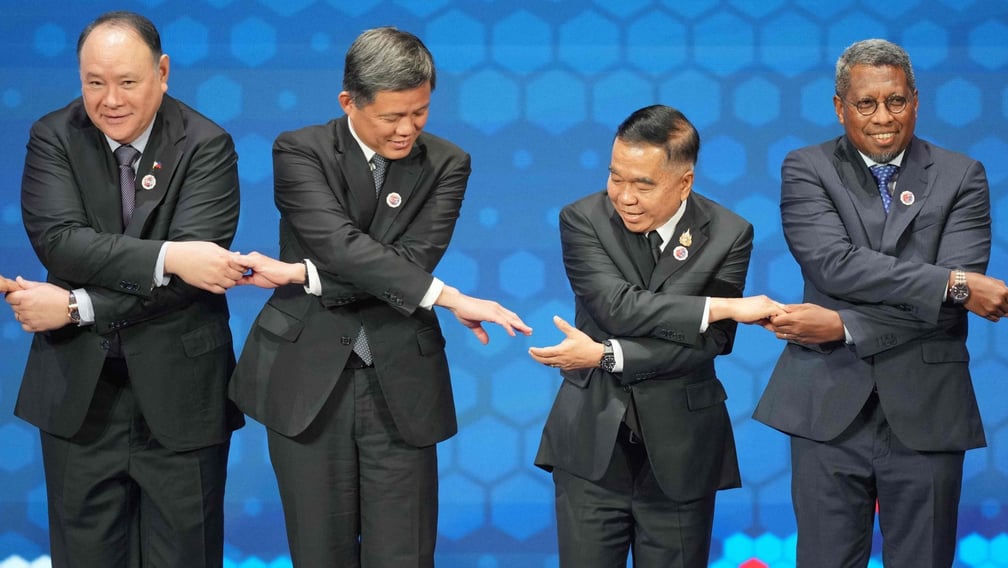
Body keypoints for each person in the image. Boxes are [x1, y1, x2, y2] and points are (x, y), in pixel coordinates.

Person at [228, 27, 532, 568]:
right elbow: (341, 247)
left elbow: (412, 261)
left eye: (419, 112)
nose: (407, 129)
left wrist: (300, 273)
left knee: (405, 556)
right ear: (349, 102)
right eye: (392, 116)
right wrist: (447, 297)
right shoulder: (300, 150)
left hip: (401, 381)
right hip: (306, 378)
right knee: (320, 554)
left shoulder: (447, 162)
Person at [753, 39, 1008, 567]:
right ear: (839, 107)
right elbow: (834, 264)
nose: (884, 117)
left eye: (896, 101)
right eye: (866, 104)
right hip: (827, 408)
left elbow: (949, 309)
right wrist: (951, 283)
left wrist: (844, 326)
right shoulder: (807, 168)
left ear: (916, 100)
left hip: (929, 407)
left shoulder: (962, 175)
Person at [4, 11, 245, 568]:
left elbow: (194, 280)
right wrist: (168, 255)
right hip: (80, 392)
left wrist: (75, 304)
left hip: (182, 393)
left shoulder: (206, 144)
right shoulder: (53, 135)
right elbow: (61, 244)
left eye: (127, 82)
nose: (109, 99)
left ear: (162, 73)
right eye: (94, 82)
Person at [528, 104, 785, 567]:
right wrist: (722, 307)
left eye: (642, 184)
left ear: (684, 182)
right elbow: (616, 307)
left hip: (683, 451)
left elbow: (711, 342)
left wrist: (607, 355)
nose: (624, 196)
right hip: (592, 445)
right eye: (616, 177)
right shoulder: (582, 218)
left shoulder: (729, 233)